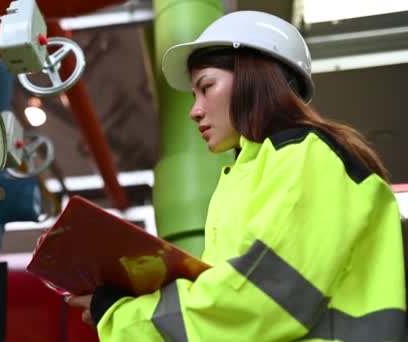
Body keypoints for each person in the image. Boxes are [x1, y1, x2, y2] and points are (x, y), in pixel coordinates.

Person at [67, 10, 406, 341]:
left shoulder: (305, 155)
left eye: (206, 86)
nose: (194, 110)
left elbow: (259, 299)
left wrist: (125, 317)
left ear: (252, 76)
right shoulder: (256, 171)